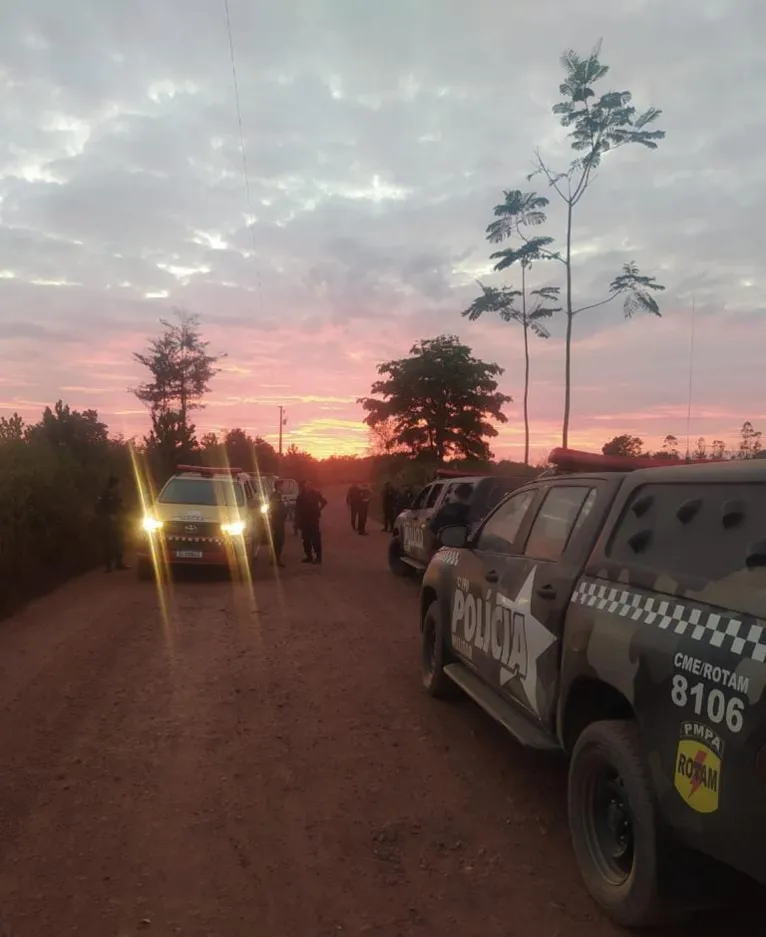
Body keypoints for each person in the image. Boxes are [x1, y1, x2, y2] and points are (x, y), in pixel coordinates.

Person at [96, 475, 128, 572]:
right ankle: (108, 566)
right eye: (119, 484)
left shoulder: (117, 496)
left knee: (119, 543)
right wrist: (108, 516)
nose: (120, 486)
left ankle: (119, 563)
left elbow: (121, 508)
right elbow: (98, 508)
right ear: (114, 485)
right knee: (108, 544)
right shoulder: (104, 495)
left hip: (118, 523)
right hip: (108, 524)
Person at [296, 480, 327, 564]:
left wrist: (318, 510)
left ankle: (318, 557)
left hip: (313, 519)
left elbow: (324, 502)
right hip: (304, 520)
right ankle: (309, 556)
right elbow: (297, 509)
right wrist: (297, 521)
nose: (308, 486)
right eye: (307, 485)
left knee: (315, 539)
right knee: (306, 540)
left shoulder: (316, 494)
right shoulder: (301, 496)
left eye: (310, 485)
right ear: (304, 486)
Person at [268, 481, 287, 567]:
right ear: (278, 486)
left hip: (279, 520)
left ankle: (275, 559)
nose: (283, 487)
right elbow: (274, 508)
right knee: (278, 541)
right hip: (277, 521)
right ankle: (276, 560)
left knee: (278, 541)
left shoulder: (279, 495)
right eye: (282, 485)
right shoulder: (275, 495)